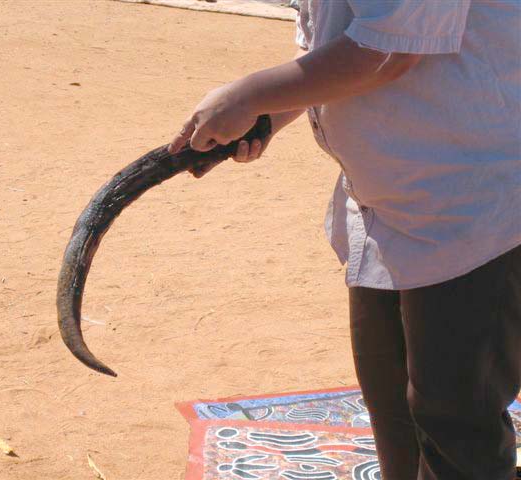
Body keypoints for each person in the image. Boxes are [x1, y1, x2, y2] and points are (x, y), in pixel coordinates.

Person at [168, 1, 521, 479]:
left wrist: (249, 97)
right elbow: (327, 44)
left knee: (456, 418)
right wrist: (268, 115)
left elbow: (390, 51)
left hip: (475, 207)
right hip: (391, 203)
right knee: (391, 398)